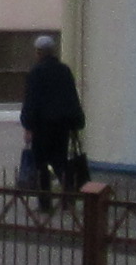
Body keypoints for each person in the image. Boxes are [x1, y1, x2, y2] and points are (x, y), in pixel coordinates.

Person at [19, 34, 88, 211]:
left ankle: (45, 203)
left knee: (41, 164)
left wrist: (28, 125)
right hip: (62, 126)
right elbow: (72, 97)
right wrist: (76, 121)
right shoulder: (64, 70)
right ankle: (67, 196)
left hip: (42, 127)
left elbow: (31, 101)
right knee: (60, 161)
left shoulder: (36, 73)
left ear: (39, 52)